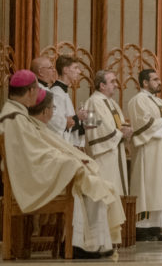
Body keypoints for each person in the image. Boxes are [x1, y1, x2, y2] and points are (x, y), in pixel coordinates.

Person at [0, 70, 124, 258]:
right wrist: (68, 162)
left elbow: (35, 150)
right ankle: (81, 245)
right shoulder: (14, 118)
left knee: (92, 183)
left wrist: (68, 159)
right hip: (29, 180)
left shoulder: (17, 114)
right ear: (31, 91)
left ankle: (96, 244)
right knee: (87, 185)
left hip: (36, 173)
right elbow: (30, 156)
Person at [126, 69, 162, 241]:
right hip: (149, 153)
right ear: (144, 83)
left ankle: (157, 227)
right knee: (148, 187)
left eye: (159, 79)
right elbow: (142, 125)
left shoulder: (161, 102)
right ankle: (142, 228)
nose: (159, 82)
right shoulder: (138, 101)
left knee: (161, 188)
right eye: (155, 79)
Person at [85, 70, 132, 196]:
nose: (116, 85)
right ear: (102, 85)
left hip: (115, 152)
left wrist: (127, 130)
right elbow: (92, 129)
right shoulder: (92, 102)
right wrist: (120, 134)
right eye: (112, 81)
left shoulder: (112, 103)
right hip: (102, 155)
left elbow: (119, 124)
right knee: (104, 194)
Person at [50, 54, 88, 148]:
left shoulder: (63, 92)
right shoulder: (57, 93)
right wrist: (77, 117)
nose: (79, 71)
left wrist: (81, 120)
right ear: (65, 70)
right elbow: (57, 125)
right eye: (75, 68)